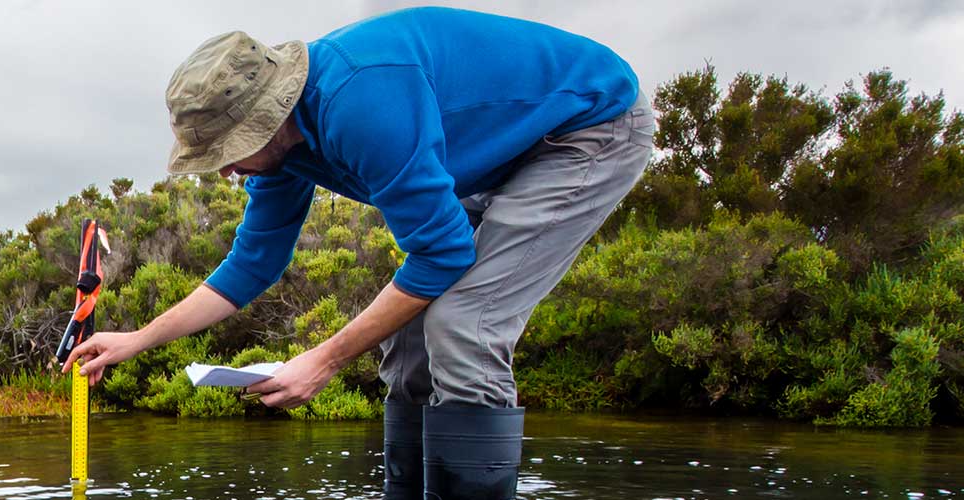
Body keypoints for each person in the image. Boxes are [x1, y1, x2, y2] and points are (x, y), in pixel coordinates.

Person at [61, 7, 653, 499]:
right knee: (410, 332)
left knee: (462, 323)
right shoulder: (283, 151)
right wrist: (140, 339)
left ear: (269, 118)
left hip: (586, 129)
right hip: (493, 158)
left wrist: (324, 359)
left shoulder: (362, 102)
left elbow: (442, 255)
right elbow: (252, 264)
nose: (228, 168)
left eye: (230, 150)